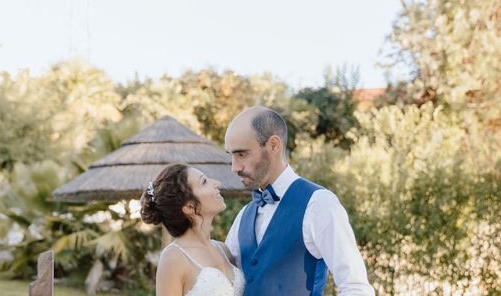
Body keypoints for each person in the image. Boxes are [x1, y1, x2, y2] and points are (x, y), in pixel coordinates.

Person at [224, 106, 375, 296]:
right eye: (231, 156)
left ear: (273, 145)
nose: (234, 167)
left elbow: (355, 288)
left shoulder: (319, 204)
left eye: (242, 154)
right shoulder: (243, 216)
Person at [140, 163, 245, 296]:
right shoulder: (173, 258)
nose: (216, 183)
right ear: (189, 206)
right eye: (204, 182)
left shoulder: (224, 250)